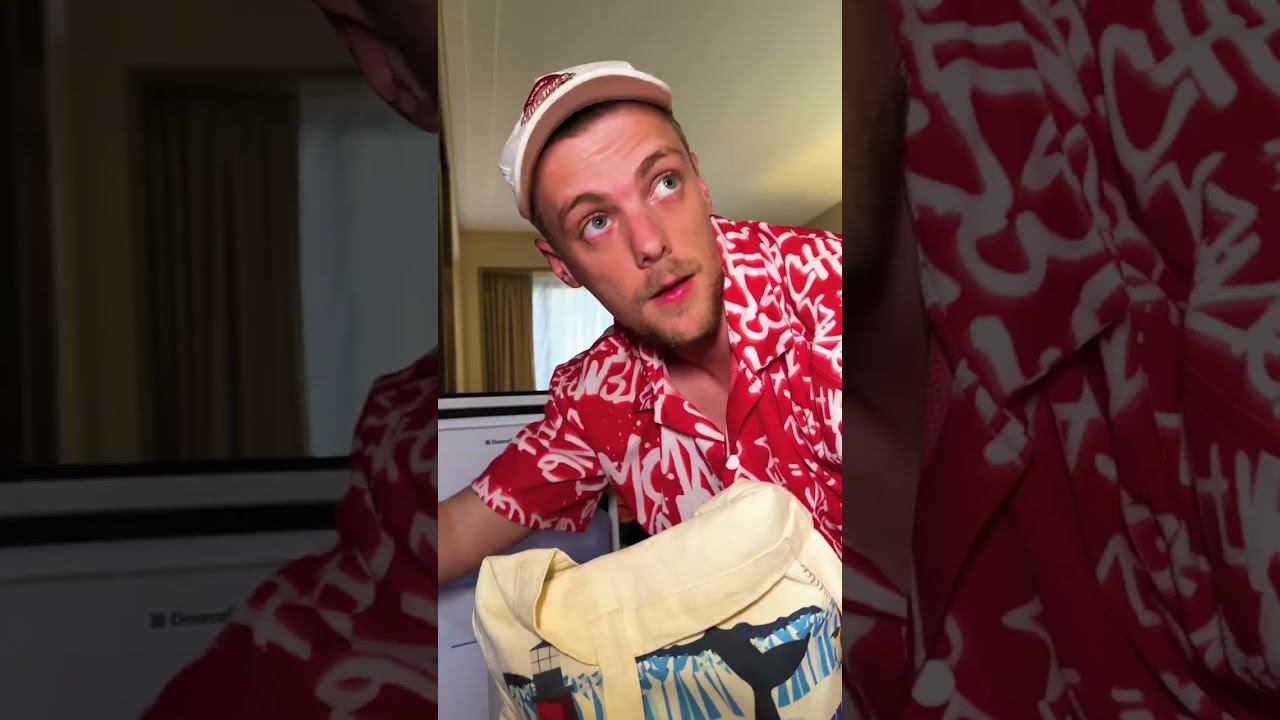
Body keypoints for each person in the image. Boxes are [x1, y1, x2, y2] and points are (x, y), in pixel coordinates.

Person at [436, 60, 845, 586]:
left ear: (701, 184)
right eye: (596, 222)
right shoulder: (596, 398)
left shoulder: (830, 289)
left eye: (664, 183)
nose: (650, 243)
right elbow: (455, 532)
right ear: (563, 266)